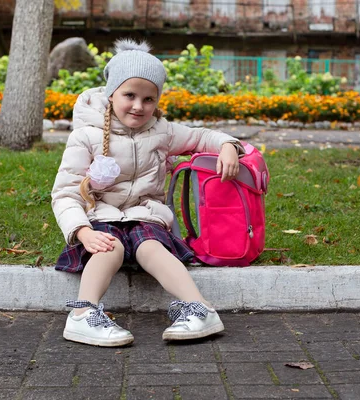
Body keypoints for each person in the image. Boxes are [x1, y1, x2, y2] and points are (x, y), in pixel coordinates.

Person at [51, 38, 244, 347]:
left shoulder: (162, 132)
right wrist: (82, 232)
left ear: (157, 101)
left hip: (146, 217)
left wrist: (227, 146)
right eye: (130, 95)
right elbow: (65, 194)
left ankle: (200, 309)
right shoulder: (85, 136)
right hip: (100, 219)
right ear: (111, 94)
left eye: (148, 99)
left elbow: (201, 136)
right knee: (107, 247)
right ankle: (83, 316)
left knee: (151, 248)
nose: (139, 106)